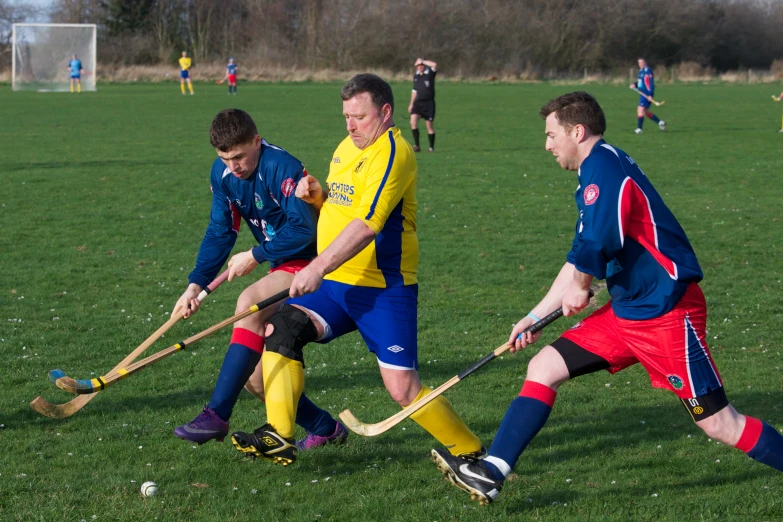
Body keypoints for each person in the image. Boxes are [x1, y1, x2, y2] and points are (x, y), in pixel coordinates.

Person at [431, 91, 783, 505]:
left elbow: (600, 242)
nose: (547, 145)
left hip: (666, 314)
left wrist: (582, 287)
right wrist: (533, 315)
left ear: (576, 131)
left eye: (551, 135)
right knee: (544, 366)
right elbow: (580, 253)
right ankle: (492, 472)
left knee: (721, 424)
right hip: (628, 313)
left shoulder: (603, 168)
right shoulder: (595, 171)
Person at [230, 73, 484, 466]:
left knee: (402, 388)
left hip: (382, 289)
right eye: (346, 116)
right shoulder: (346, 148)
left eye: (359, 117)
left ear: (385, 112)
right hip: (336, 285)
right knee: (281, 329)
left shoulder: (393, 153)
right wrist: (319, 198)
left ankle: (470, 451)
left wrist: (315, 266)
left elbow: (368, 224)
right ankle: (280, 434)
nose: (350, 125)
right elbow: (343, 206)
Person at [173, 109, 348, 452]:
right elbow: (220, 232)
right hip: (282, 261)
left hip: (315, 260)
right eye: (225, 158)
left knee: (248, 304)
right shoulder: (223, 174)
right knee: (255, 380)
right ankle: (326, 429)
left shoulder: (280, 166)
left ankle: (216, 415)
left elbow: (305, 229)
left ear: (256, 141)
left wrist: (255, 255)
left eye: (239, 156)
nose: (234, 166)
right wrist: (195, 285)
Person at [408, 58, 438, 152]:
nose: (420, 66)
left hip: (429, 103)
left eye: (421, 65)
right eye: (418, 65)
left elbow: (434, 64)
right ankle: (417, 146)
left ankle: (431, 147)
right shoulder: (416, 76)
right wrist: (411, 104)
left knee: (429, 126)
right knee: (413, 122)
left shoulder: (429, 74)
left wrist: (422, 60)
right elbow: (414, 91)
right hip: (418, 103)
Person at [630, 58, 664, 134]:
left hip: (646, 94)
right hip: (642, 93)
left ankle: (639, 129)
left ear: (645, 62)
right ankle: (660, 122)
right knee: (645, 112)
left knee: (640, 110)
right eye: (639, 63)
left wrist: (649, 95)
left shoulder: (648, 71)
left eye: (642, 62)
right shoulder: (640, 71)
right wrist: (634, 84)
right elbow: (640, 82)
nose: (640, 64)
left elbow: (651, 84)